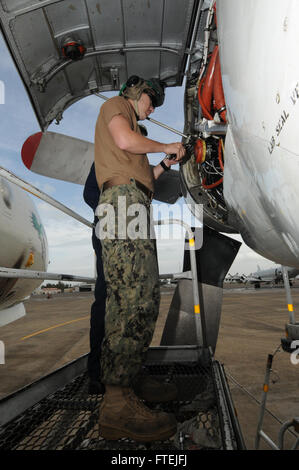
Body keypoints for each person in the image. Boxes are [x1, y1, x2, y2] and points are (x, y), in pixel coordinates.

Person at [94, 76, 186, 442]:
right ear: (135, 93)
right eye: (151, 100)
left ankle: (129, 378)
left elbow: (148, 177)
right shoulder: (115, 108)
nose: (153, 107)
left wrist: (165, 160)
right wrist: (166, 142)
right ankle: (116, 403)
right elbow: (123, 139)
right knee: (130, 296)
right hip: (121, 204)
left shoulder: (136, 131)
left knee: (145, 295)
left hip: (135, 202)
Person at [83, 163, 106, 394]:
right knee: (105, 297)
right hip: (108, 230)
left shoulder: (137, 160)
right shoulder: (102, 156)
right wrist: (109, 212)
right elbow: (90, 192)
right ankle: (97, 372)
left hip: (136, 232)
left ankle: (129, 366)